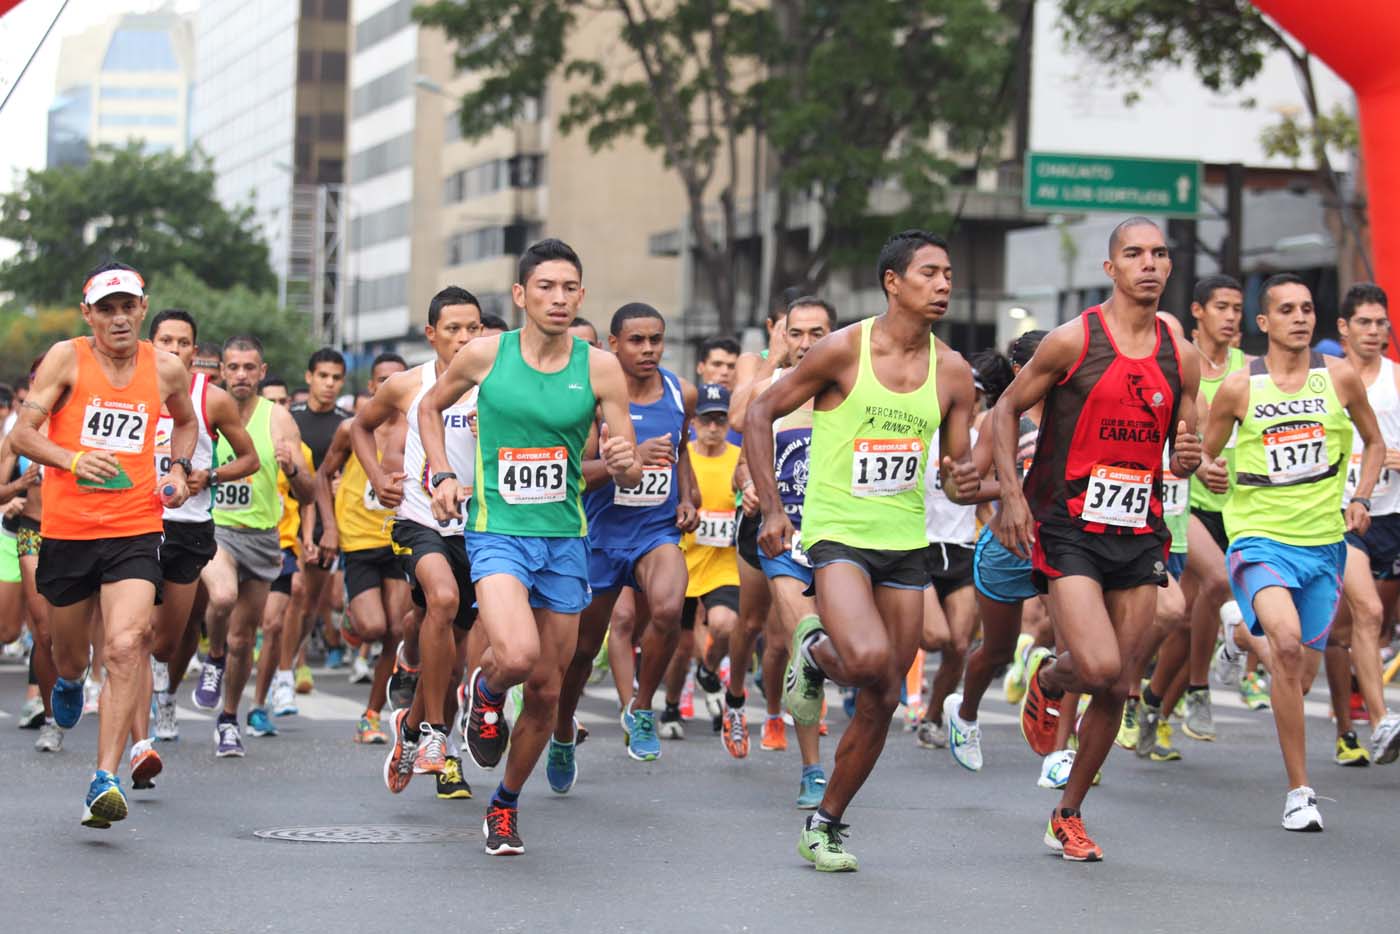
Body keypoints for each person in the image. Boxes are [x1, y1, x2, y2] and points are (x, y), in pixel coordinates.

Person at [746, 230, 979, 872]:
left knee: (882, 696)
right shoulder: (842, 350)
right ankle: (817, 650)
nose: (943, 285)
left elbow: (956, 468)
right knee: (872, 658)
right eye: (929, 273)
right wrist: (771, 506)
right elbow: (761, 413)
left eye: (948, 275)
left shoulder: (952, 370)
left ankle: (826, 824)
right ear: (892, 282)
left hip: (905, 542)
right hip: (838, 533)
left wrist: (973, 481)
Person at [992, 217, 1202, 861]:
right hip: (1069, 527)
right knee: (1100, 665)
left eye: (1159, 254)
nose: (1149, 264)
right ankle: (1052, 678)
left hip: (1138, 529)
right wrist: (1010, 494)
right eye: (1134, 254)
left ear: (1169, 268)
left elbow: (1185, 449)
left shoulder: (1181, 357)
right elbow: (1003, 410)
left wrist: (1192, 456)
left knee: (1117, 684)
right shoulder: (1071, 340)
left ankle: (1068, 813)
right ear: (1110, 268)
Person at [422, 238, 641, 856]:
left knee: (547, 690)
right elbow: (429, 410)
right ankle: (484, 694)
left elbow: (623, 463)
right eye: (545, 287)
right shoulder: (485, 355)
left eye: (570, 287)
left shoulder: (599, 366)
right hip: (497, 530)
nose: (559, 298)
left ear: (581, 295)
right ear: (521, 295)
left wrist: (622, 462)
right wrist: (440, 473)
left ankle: (504, 806)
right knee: (515, 657)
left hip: (566, 538)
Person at [10, 261, 198, 828]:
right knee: (70, 654)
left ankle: (104, 778)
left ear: (143, 309)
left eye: (128, 306)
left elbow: (185, 424)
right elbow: (23, 432)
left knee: (126, 645)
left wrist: (179, 468)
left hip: (135, 526)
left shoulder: (165, 368)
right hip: (67, 531)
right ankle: (68, 680)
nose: (119, 318)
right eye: (106, 308)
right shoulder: (67, 358)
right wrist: (70, 459)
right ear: (88, 314)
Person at [1205, 273, 1382, 830]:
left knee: (1300, 673)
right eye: (1286, 309)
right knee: (1283, 644)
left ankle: (1236, 634)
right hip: (1258, 538)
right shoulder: (1239, 387)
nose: (1300, 317)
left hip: (1322, 543)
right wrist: (1207, 470)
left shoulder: (1341, 379)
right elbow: (1201, 457)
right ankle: (1300, 792)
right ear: (1264, 323)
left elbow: (1375, 442)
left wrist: (1360, 496)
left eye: (1306, 308)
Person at [551, 302, 697, 773]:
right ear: (613, 344)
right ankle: (560, 731)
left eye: (656, 339)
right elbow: (577, 474)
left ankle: (641, 708)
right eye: (637, 340)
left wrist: (687, 495)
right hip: (600, 536)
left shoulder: (681, 392)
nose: (649, 349)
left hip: (655, 531)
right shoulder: (592, 398)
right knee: (582, 650)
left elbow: (681, 449)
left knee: (670, 609)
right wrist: (628, 460)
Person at [352, 287, 483, 795]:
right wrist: (378, 477)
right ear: (431, 334)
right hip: (419, 521)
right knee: (443, 601)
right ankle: (433, 734)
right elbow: (360, 428)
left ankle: (409, 729)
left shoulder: (497, 387)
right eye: (453, 329)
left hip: (478, 529)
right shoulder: (408, 385)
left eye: (473, 328)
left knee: (452, 651)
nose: (464, 338)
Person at [135, 309, 261, 774]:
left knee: (169, 642)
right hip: (138, 523)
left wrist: (209, 475)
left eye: (182, 342)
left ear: (195, 351)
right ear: (151, 346)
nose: (172, 349)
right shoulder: (130, 392)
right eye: (164, 340)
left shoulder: (212, 400)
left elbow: (249, 460)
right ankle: (138, 743)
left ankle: (166, 693)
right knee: (138, 636)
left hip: (189, 529)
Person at [191, 336, 316, 757]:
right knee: (222, 595)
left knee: (246, 640)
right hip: (216, 528)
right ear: (221, 371)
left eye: (250, 368)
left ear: (262, 373)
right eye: (233, 367)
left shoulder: (278, 420)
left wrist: (293, 467)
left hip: (263, 536)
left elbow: (309, 492)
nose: (241, 375)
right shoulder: (205, 410)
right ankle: (213, 656)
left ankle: (229, 718)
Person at [745, 296, 836, 807]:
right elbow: (745, 463)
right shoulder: (769, 393)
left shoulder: (855, 395)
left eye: (816, 333)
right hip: (784, 540)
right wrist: (753, 488)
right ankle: (812, 768)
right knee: (807, 643)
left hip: (842, 543)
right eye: (796, 333)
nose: (805, 344)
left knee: (854, 656)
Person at [312, 354, 416, 752]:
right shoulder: (350, 429)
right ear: (372, 388)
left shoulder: (419, 427)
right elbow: (323, 476)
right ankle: (352, 621)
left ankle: (371, 714)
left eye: (398, 379)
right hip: (357, 537)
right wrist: (331, 528)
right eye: (382, 380)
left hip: (399, 534)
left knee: (396, 629)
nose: (390, 386)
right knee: (372, 628)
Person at [1331, 283, 1400, 764]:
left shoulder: (1396, 380)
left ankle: (1350, 723)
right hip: (1336, 513)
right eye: (1364, 322)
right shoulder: (1326, 379)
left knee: (1365, 625)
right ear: (1344, 328)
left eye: (1380, 323)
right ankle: (1372, 723)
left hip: (1390, 512)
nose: (1374, 331)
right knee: (1368, 613)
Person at [667, 383, 740, 742]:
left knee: (726, 625)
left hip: (722, 562)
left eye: (721, 420)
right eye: (707, 420)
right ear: (693, 423)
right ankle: (667, 706)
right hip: (682, 559)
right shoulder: (683, 458)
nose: (713, 427)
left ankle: (709, 671)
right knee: (679, 649)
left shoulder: (739, 457)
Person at [280, 350, 352, 690]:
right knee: (290, 593)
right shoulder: (288, 418)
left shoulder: (346, 423)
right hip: (286, 517)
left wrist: (342, 484)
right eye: (323, 376)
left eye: (336, 378)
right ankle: (284, 668)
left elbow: (356, 471)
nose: (329, 384)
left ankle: (295, 659)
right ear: (309, 377)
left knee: (309, 601)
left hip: (327, 521)